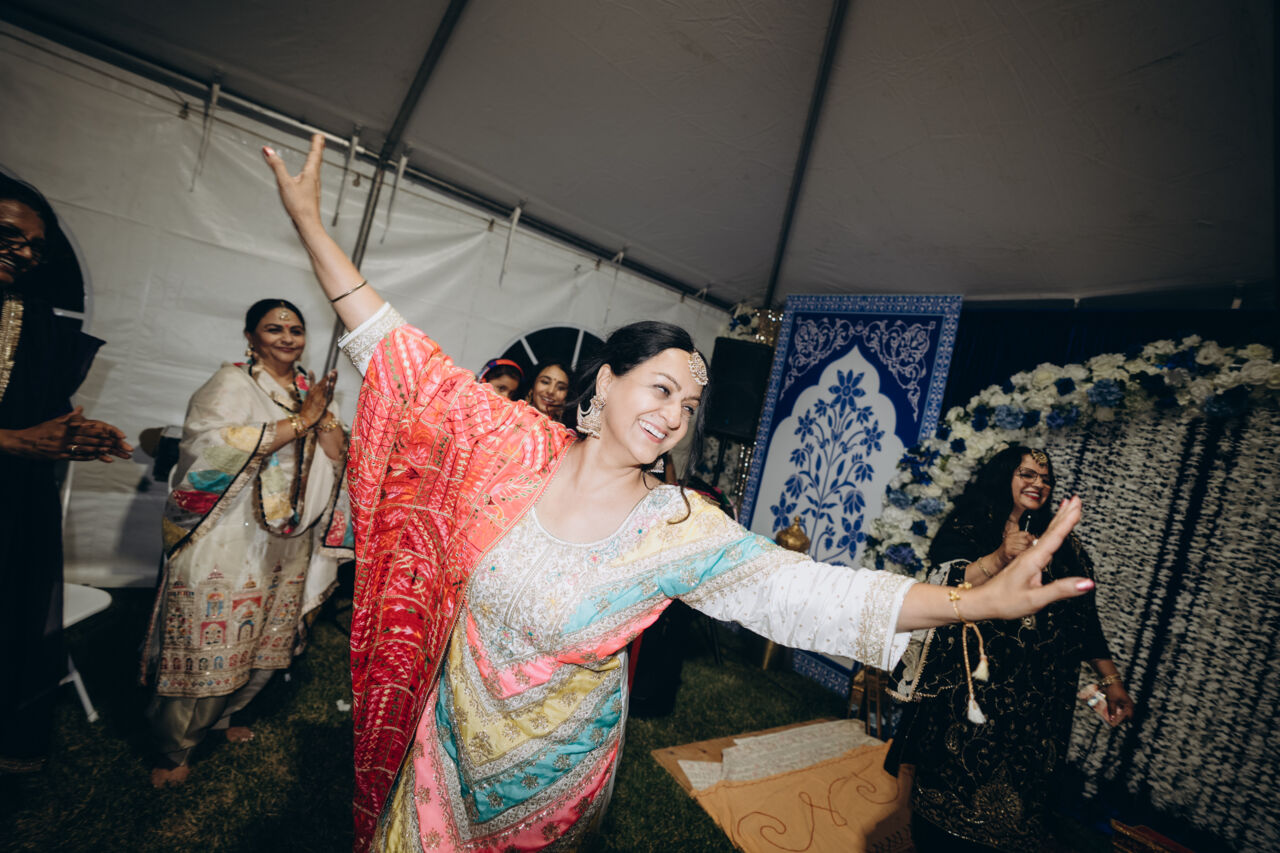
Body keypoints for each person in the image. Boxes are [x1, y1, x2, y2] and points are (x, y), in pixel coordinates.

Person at [263, 135, 1097, 853]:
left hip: (547, 790)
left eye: (689, 405)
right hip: (443, 750)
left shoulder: (676, 525)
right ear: (607, 381)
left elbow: (804, 591)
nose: (674, 415)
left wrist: (972, 602)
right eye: (661, 388)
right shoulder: (511, 447)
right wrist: (310, 224)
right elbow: (400, 356)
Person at [141, 298, 352, 787]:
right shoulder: (230, 384)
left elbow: (337, 456)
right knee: (209, 633)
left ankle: (226, 714)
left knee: (262, 633)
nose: (287, 338)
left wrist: (321, 418)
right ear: (250, 337)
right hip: (226, 528)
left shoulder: (313, 392)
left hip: (289, 536)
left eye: (295, 330)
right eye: (274, 328)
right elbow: (208, 447)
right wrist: (300, 422)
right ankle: (175, 747)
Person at [885, 445, 1136, 852]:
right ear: (1005, 476)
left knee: (1023, 811)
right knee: (950, 801)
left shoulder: (1063, 545)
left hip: (1038, 703)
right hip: (972, 689)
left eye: (1046, 478)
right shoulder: (970, 527)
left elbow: (1084, 620)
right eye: (1027, 474)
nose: (1039, 484)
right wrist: (1001, 557)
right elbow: (941, 585)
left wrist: (1111, 680)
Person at [0, 175, 132, 775]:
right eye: (9, 235)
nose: (24, 253)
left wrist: (71, 433)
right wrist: (13, 441)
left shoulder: (25, 317)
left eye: (35, 246)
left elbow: (32, 413)